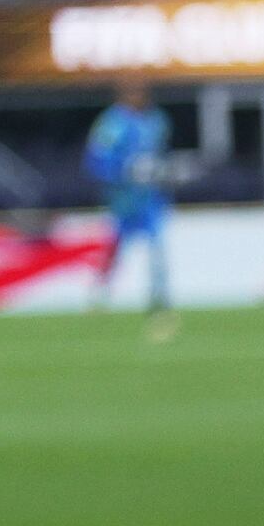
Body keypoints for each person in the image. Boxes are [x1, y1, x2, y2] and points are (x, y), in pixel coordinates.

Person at [83, 76, 176, 337]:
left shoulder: (157, 120)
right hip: (123, 199)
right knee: (115, 248)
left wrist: (161, 171)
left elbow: (162, 154)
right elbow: (96, 159)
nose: (138, 97)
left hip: (150, 199)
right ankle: (100, 295)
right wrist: (124, 170)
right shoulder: (113, 123)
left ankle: (159, 300)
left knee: (157, 249)